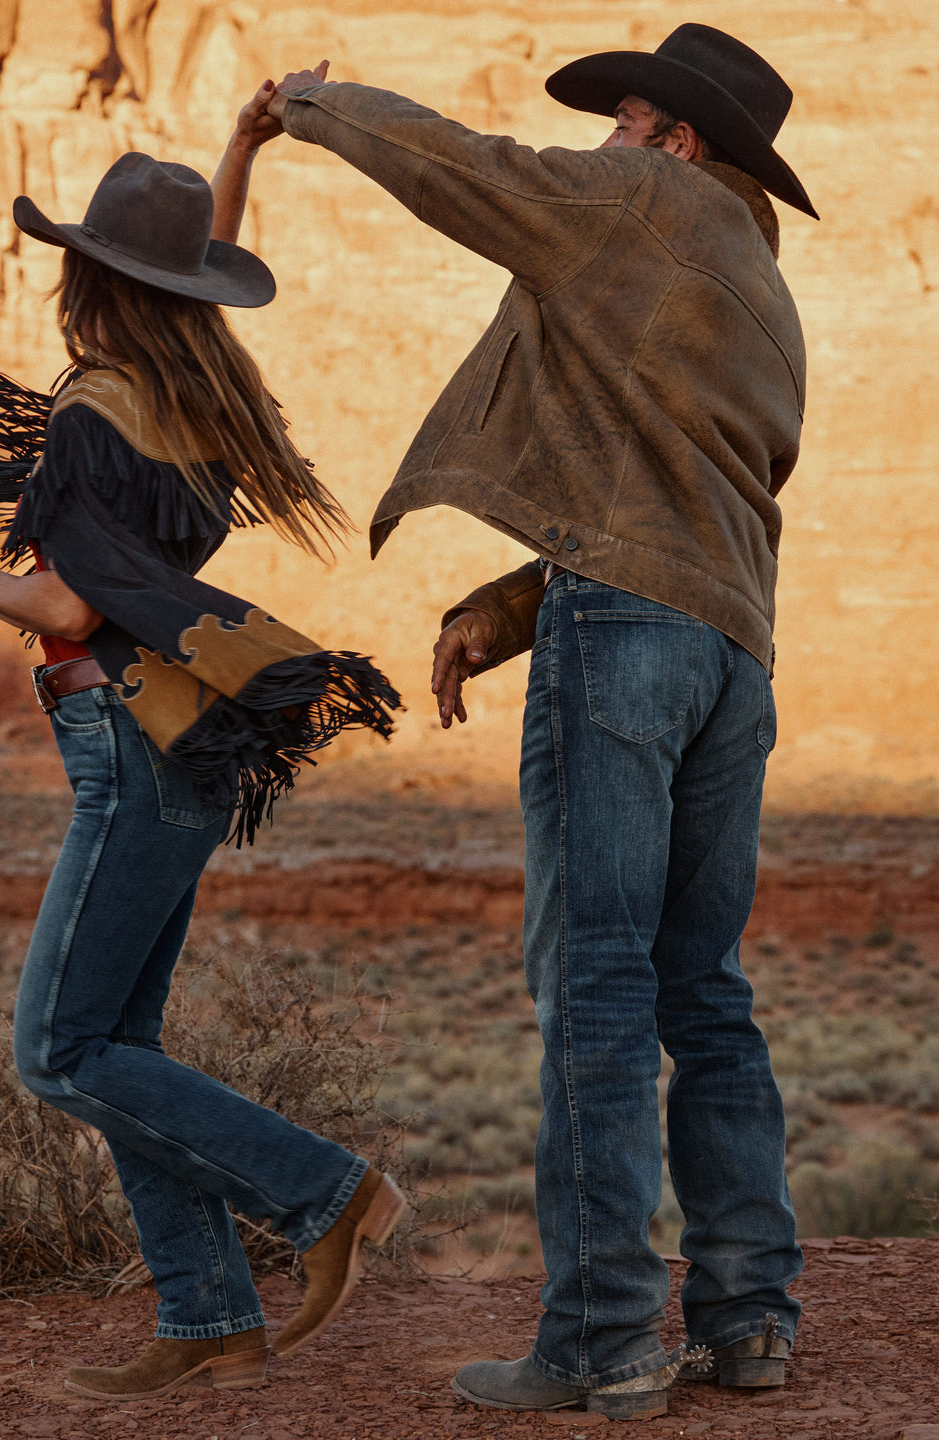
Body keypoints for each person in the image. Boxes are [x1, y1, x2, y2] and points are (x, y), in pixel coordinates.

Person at [259, 23, 816, 1421]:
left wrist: (321, 109)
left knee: (600, 992)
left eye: (628, 119)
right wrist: (504, 612)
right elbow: (687, 491)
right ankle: (750, 1321)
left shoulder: (642, 200)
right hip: (729, 660)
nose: (605, 141)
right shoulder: (760, 287)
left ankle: (603, 1338)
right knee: (706, 995)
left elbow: (473, 172)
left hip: (625, 645)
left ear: (678, 140)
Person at [0, 84, 404, 1402]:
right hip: (183, 745)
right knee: (123, 1040)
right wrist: (234, 157)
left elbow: (65, 603)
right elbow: (191, 274)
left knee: (61, 1050)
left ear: (87, 282)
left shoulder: (87, 415)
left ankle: (329, 1196)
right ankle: (204, 1315)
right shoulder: (203, 408)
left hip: (122, 744)